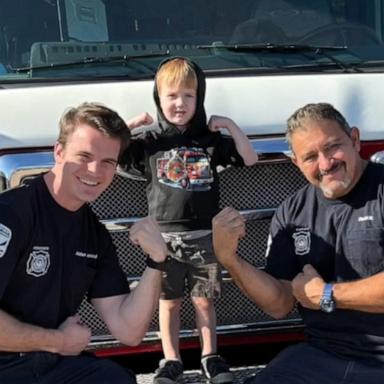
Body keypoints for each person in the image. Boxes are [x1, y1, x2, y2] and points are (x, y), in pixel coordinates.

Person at [212, 102, 384, 383]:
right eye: (311, 157)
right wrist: (231, 259)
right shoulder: (291, 212)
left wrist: (327, 294)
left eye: (332, 147)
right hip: (322, 355)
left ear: (355, 139)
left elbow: (319, 295)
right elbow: (279, 303)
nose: (326, 164)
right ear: (296, 163)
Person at [0, 102, 169, 384]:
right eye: (84, 156)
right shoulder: (12, 214)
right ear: (58, 152)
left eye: (107, 163)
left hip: (49, 363)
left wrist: (156, 262)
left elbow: (129, 330)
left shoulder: (94, 234)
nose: (95, 171)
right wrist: (57, 341)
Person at [122, 57, 259, 384]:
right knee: (168, 304)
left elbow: (250, 159)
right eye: (170, 96)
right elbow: (113, 154)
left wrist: (229, 126)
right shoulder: (149, 142)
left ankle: (210, 357)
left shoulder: (210, 140)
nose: (179, 103)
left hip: (205, 239)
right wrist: (127, 127)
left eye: (188, 95)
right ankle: (171, 360)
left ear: (200, 98)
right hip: (163, 243)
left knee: (204, 300)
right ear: (158, 98)